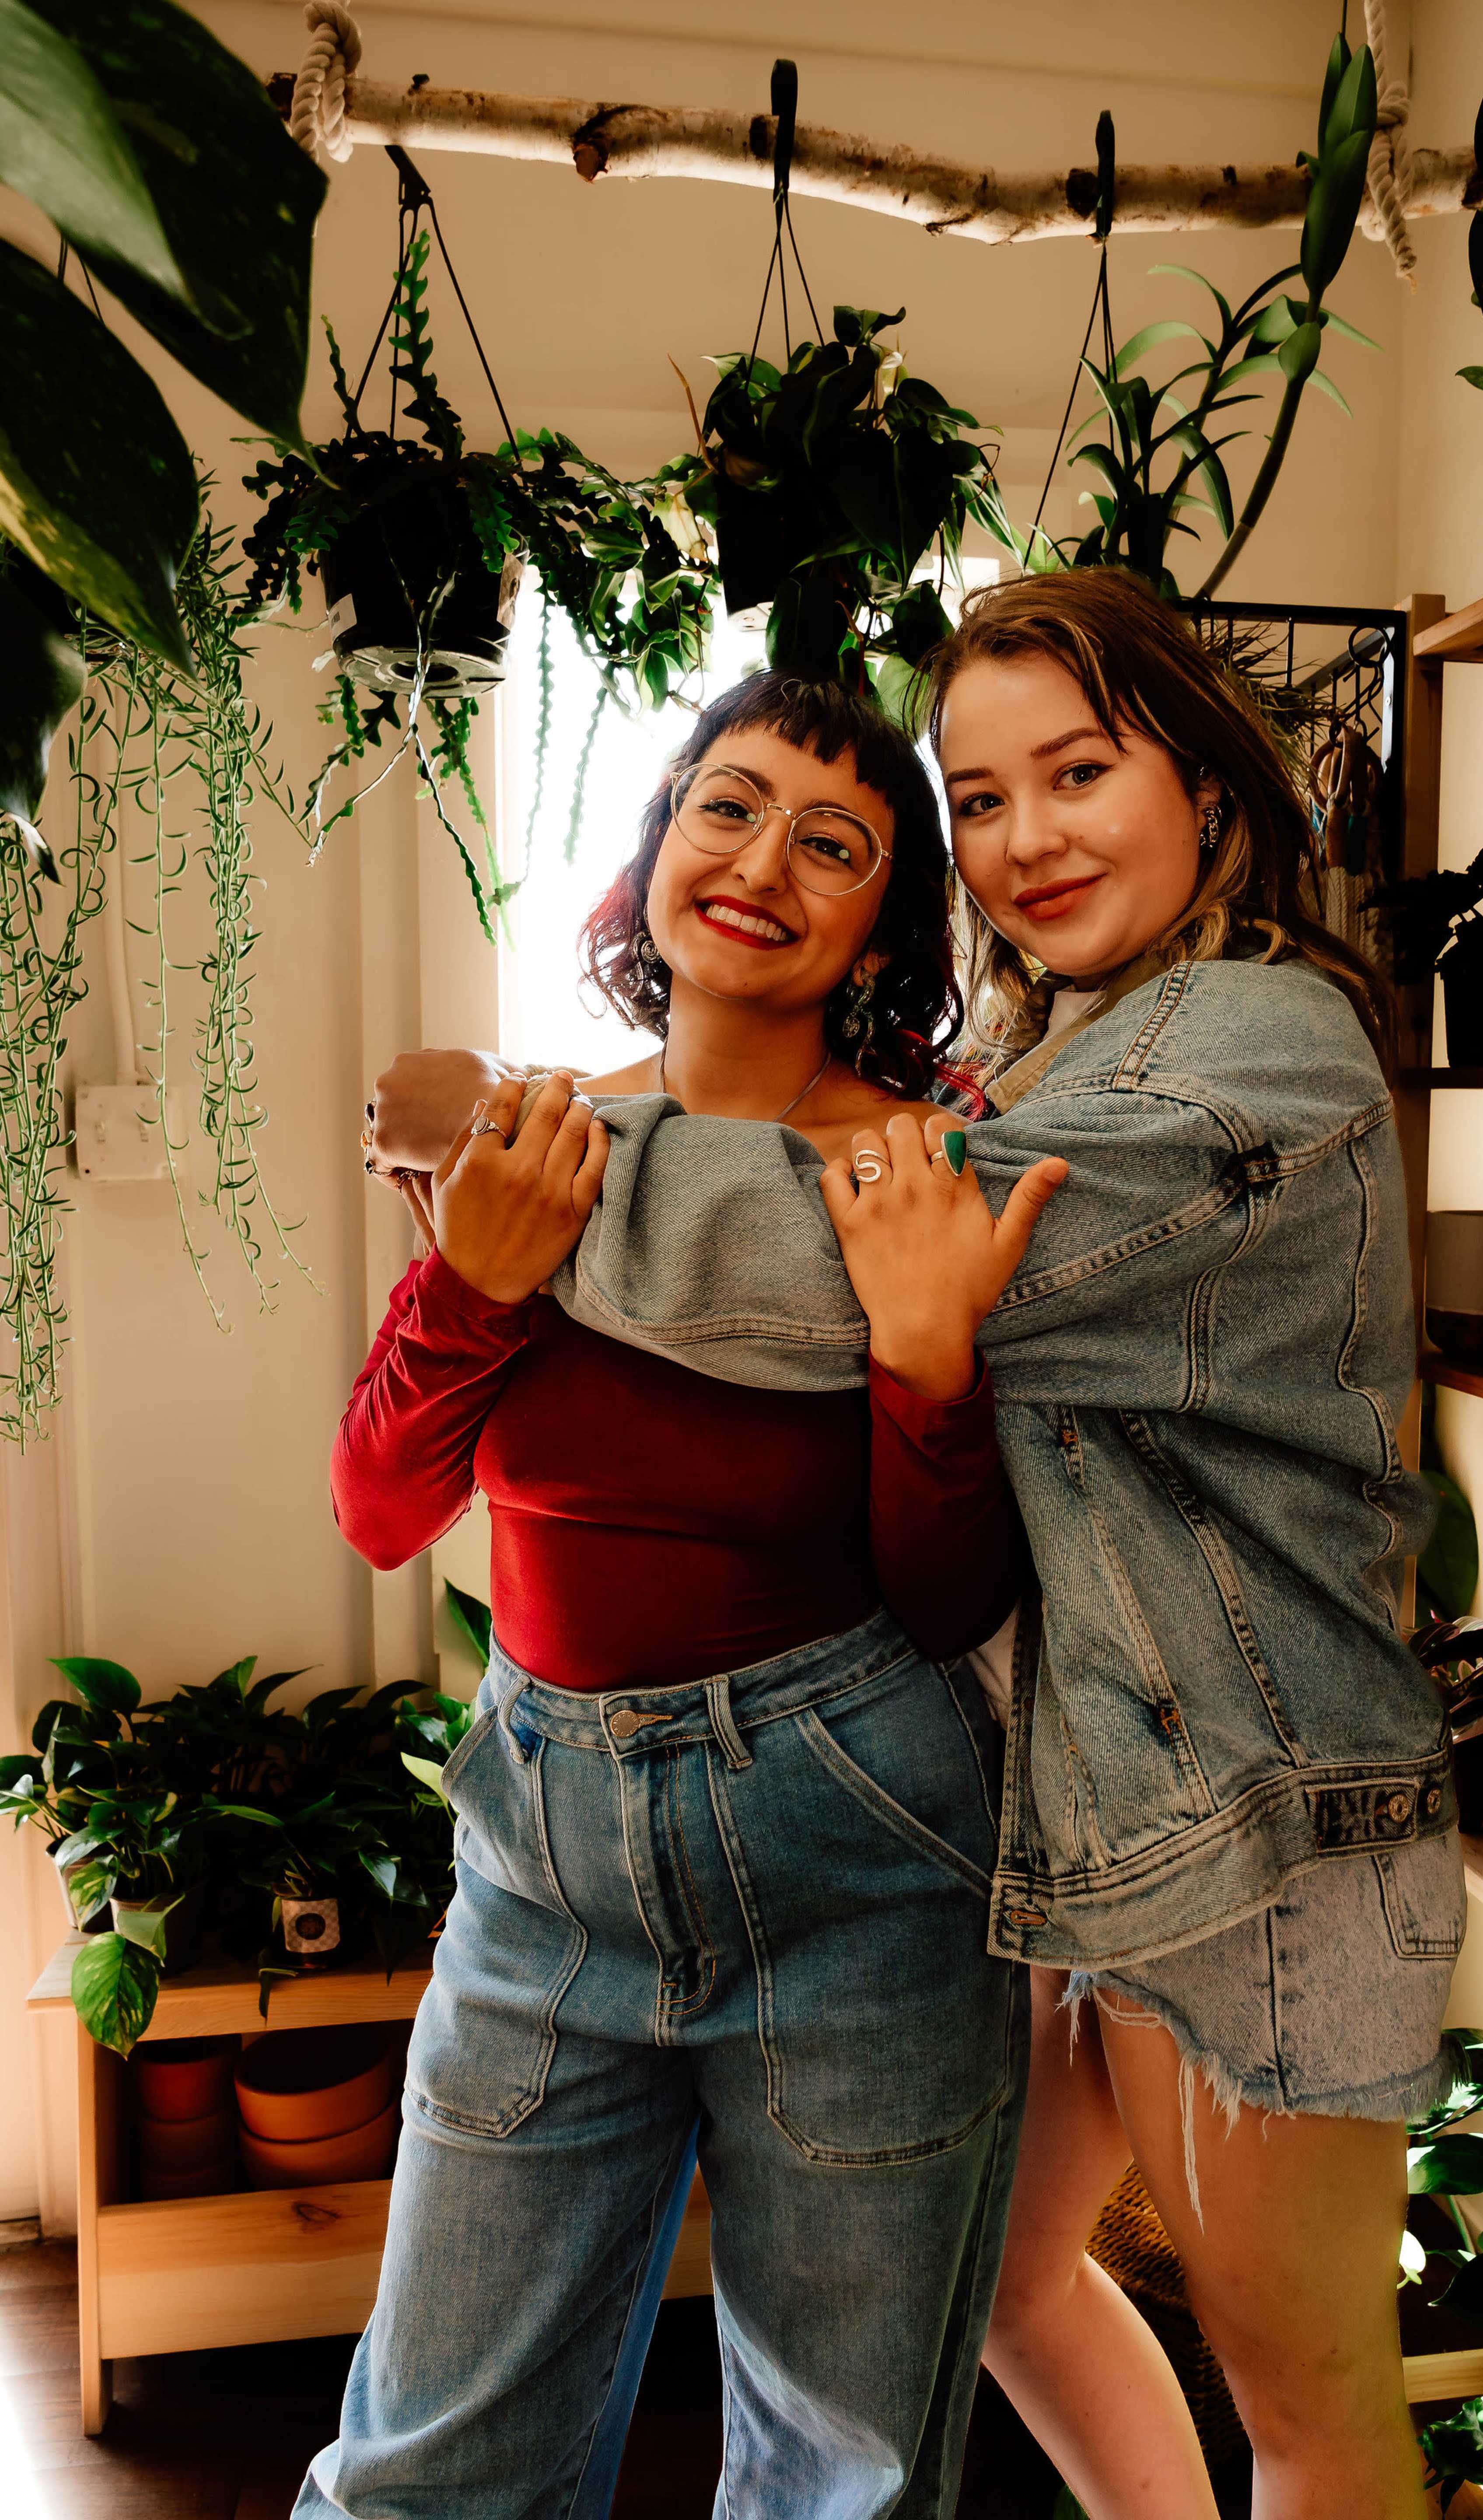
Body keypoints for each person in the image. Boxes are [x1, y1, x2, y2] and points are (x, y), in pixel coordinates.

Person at [377, 570, 1461, 2520]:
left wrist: (483, 1155)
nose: (1027, 836)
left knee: (1299, 2405)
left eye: (1079, 773)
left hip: (1253, 1806)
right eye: (983, 798)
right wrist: (483, 1245)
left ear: (1210, 791)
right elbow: (387, 1491)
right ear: (655, 847)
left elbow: (853, 1306)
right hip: (1051, 1794)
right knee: (1012, 2291)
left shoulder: (1243, 1054)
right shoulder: (1063, 1054)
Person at [303, 672, 1069, 2520]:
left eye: (834, 843)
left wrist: (926, 1360)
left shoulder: (912, 1172)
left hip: (861, 1862)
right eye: (725, 807)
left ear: (885, 923)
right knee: (422, 2480)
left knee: (841, 2487)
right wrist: (473, 1288)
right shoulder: (528, 1146)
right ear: (657, 846)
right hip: (545, 1874)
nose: (760, 863)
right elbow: (383, 1510)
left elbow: (950, 1594)